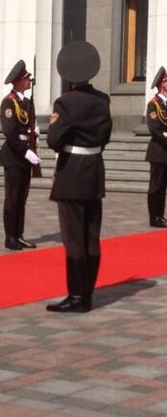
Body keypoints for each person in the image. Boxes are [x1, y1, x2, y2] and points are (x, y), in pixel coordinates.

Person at [46, 41, 112, 312]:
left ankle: (76, 297)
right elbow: (105, 136)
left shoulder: (66, 102)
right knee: (91, 235)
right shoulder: (103, 100)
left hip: (72, 172)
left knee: (73, 238)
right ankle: (88, 293)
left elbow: (53, 139)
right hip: (94, 170)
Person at [1, 60, 41, 250]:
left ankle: (19, 234)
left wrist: (34, 131)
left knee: (22, 198)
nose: (29, 81)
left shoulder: (26, 102)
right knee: (12, 198)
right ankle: (10, 237)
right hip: (15, 155)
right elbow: (10, 132)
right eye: (27, 79)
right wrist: (26, 152)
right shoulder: (9, 102)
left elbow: (27, 127)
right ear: (18, 81)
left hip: (25, 155)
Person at [146, 66, 167, 228]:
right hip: (159, 150)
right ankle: (154, 217)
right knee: (156, 186)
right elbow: (154, 130)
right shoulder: (153, 105)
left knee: (164, 186)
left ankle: (161, 216)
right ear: (162, 84)